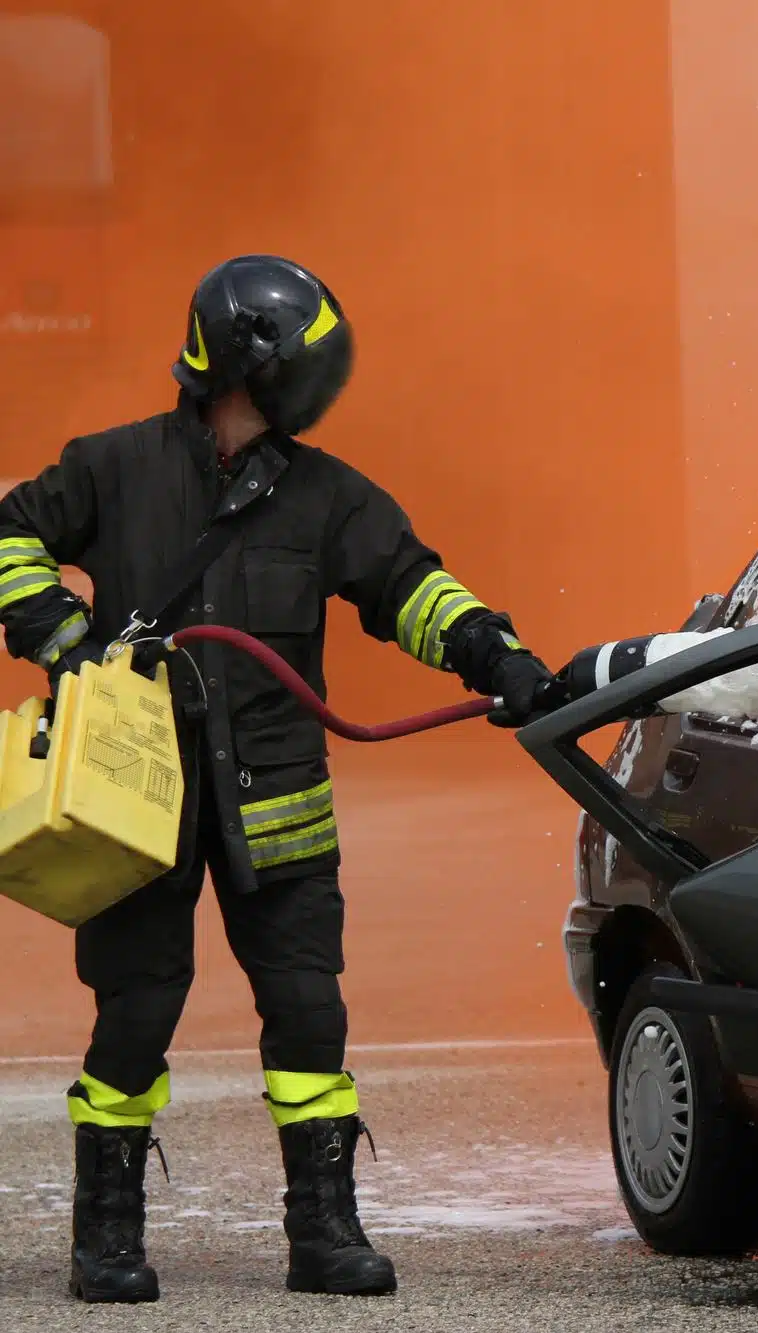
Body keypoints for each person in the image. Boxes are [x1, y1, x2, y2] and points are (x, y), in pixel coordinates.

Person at [0, 256, 566, 1303]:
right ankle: (106, 1236)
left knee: (308, 1012)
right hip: (138, 798)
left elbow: (411, 586)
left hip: (278, 803)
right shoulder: (114, 468)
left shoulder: (329, 497)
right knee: (135, 1008)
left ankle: (323, 1229)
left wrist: (496, 654)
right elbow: (8, 535)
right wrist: (63, 638)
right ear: (248, 364)